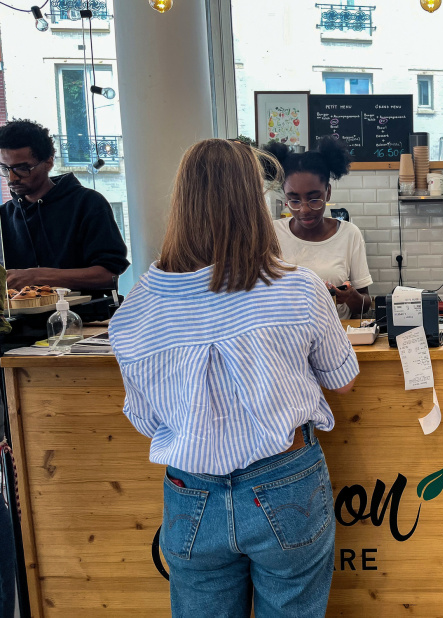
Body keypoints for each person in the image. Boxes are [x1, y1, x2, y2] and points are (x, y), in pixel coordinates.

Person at [108, 139, 358, 618]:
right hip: (285, 480)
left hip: (190, 491)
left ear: (181, 203)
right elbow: (342, 380)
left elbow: (146, 421)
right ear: (254, 204)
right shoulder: (298, 288)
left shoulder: (136, 310)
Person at [0, 119, 129, 292]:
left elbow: (108, 276)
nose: (12, 178)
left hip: (84, 310)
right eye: (5, 168)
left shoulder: (87, 203)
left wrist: (35, 277)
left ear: (49, 162)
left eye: (22, 168)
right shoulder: (4, 216)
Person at [265, 138, 372, 319]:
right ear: (285, 195)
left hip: (336, 333)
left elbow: (364, 305)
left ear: (328, 192)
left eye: (314, 199)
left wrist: (350, 296)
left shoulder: (349, 234)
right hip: (286, 334)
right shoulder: (272, 234)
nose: (304, 209)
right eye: (294, 200)